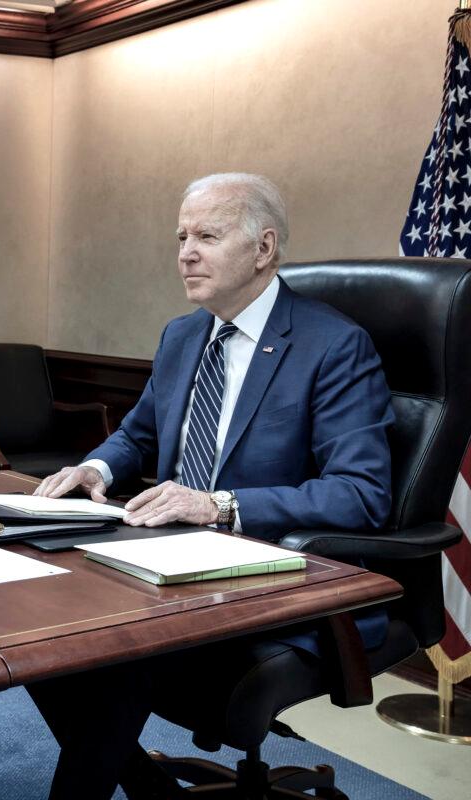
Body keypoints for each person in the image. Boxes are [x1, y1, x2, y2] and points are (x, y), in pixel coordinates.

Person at [27, 173, 394, 799]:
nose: (185, 252)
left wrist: (221, 505)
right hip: (169, 559)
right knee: (38, 629)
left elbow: (362, 492)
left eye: (207, 235)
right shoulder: (182, 334)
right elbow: (137, 434)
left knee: (112, 653)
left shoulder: (332, 345)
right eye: (181, 236)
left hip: (278, 574)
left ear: (264, 248)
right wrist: (97, 469)